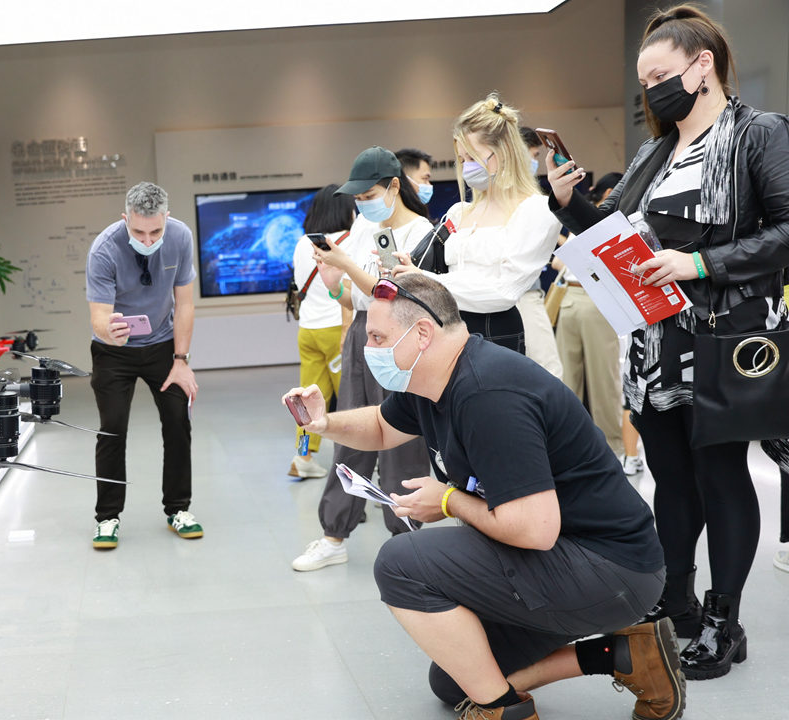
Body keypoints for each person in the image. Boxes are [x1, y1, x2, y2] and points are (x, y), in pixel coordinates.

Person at [282, 274, 683, 720]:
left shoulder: (488, 394)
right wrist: (323, 423)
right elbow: (380, 426)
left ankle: (503, 712)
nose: (368, 348)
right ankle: (625, 655)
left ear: (421, 334)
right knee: (455, 678)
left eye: (378, 337)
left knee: (400, 562)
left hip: (610, 569)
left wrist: (449, 501)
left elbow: (535, 528)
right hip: (570, 558)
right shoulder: (431, 381)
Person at [546, 4, 789, 680]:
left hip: (725, 338)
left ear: (701, 64)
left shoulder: (759, 135)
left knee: (720, 475)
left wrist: (702, 263)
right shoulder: (658, 152)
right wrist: (570, 203)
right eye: (644, 80)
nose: (651, 89)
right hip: (657, 343)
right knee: (672, 480)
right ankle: (673, 604)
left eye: (659, 74)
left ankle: (724, 619)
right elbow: (620, 235)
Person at [289, 146, 431, 572]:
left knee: (401, 441)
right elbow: (359, 296)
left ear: (393, 186)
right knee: (349, 430)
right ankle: (334, 534)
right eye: (358, 198)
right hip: (361, 338)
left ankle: (406, 540)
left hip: (402, 340)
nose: (362, 205)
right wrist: (335, 283)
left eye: (368, 195)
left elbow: (397, 294)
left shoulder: (421, 232)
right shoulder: (367, 231)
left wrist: (347, 264)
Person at [393, 96, 562, 357]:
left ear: (505, 151)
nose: (467, 167)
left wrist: (427, 281)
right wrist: (413, 271)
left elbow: (503, 291)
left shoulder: (536, 210)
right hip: (446, 334)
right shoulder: (460, 212)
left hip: (495, 339)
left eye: (473, 158)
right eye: (462, 160)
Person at [85, 181, 201, 550]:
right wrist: (110, 331)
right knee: (112, 429)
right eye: (138, 231)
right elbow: (98, 316)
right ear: (125, 219)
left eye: (156, 231)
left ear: (167, 218)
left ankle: (178, 508)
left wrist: (181, 361)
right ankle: (107, 517)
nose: (148, 240)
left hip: (163, 348)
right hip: (113, 352)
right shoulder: (104, 249)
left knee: (178, 422)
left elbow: (184, 303)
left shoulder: (180, 237)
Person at [552, 173, 625, 458]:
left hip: (595, 297)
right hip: (572, 296)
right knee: (568, 380)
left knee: (602, 379)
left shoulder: (615, 220)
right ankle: (575, 450)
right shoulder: (584, 219)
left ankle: (613, 449)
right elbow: (561, 261)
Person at [288, 185, 357, 479]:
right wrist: (346, 332)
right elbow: (348, 288)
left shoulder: (302, 243)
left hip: (308, 330)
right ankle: (355, 461)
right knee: (352, 400)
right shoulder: (347, 241)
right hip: (336, 330)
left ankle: (303, 456)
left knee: (307, 400)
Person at [512, 127, 564, 378]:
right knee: (549, 372)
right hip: (521, 297)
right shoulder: (523, 198)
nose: (535, 163)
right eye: (532, 155)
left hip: (518, 295)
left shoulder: (529, 198)